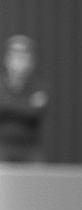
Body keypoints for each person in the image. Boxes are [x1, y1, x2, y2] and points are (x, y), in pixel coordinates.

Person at [0, 35, 49, 163]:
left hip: (30, 148)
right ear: (7, 59)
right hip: (3, 146)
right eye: (15, 55)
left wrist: (8, 105)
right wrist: (25, 104)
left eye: (23, 56)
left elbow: (35, 113)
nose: (19, 60)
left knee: (37, 181)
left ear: (31, 61)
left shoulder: (39, 86)